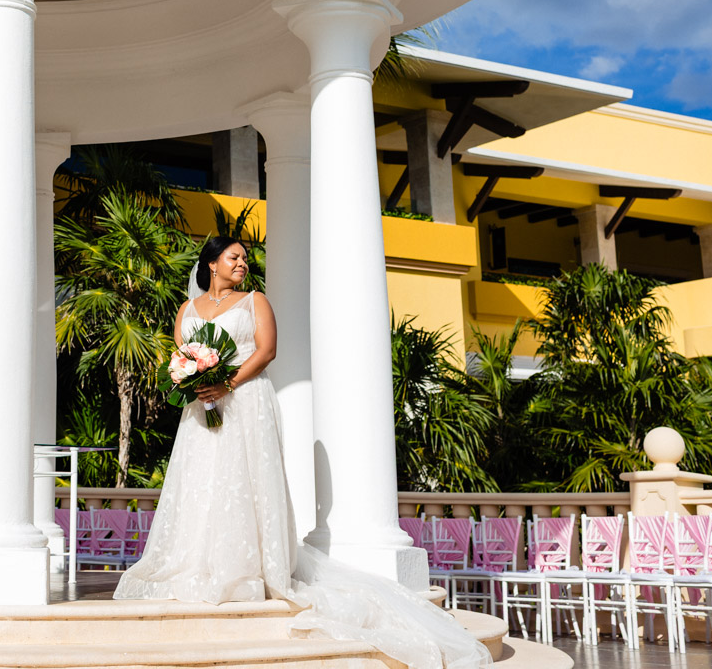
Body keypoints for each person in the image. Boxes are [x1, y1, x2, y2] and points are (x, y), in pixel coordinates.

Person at [114, 236, 487, 669]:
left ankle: (249, 568)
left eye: (244, 259)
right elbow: (180, 356)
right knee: (204, 480)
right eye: (234, 258)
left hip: (246, 401)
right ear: (212, 263)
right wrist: (193, 380)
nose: (242, 264)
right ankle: (197, 562)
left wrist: (227, 383)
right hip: (201, 407)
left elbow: (267, 350)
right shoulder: (187, 310)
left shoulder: (256, 300)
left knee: (243, 479)